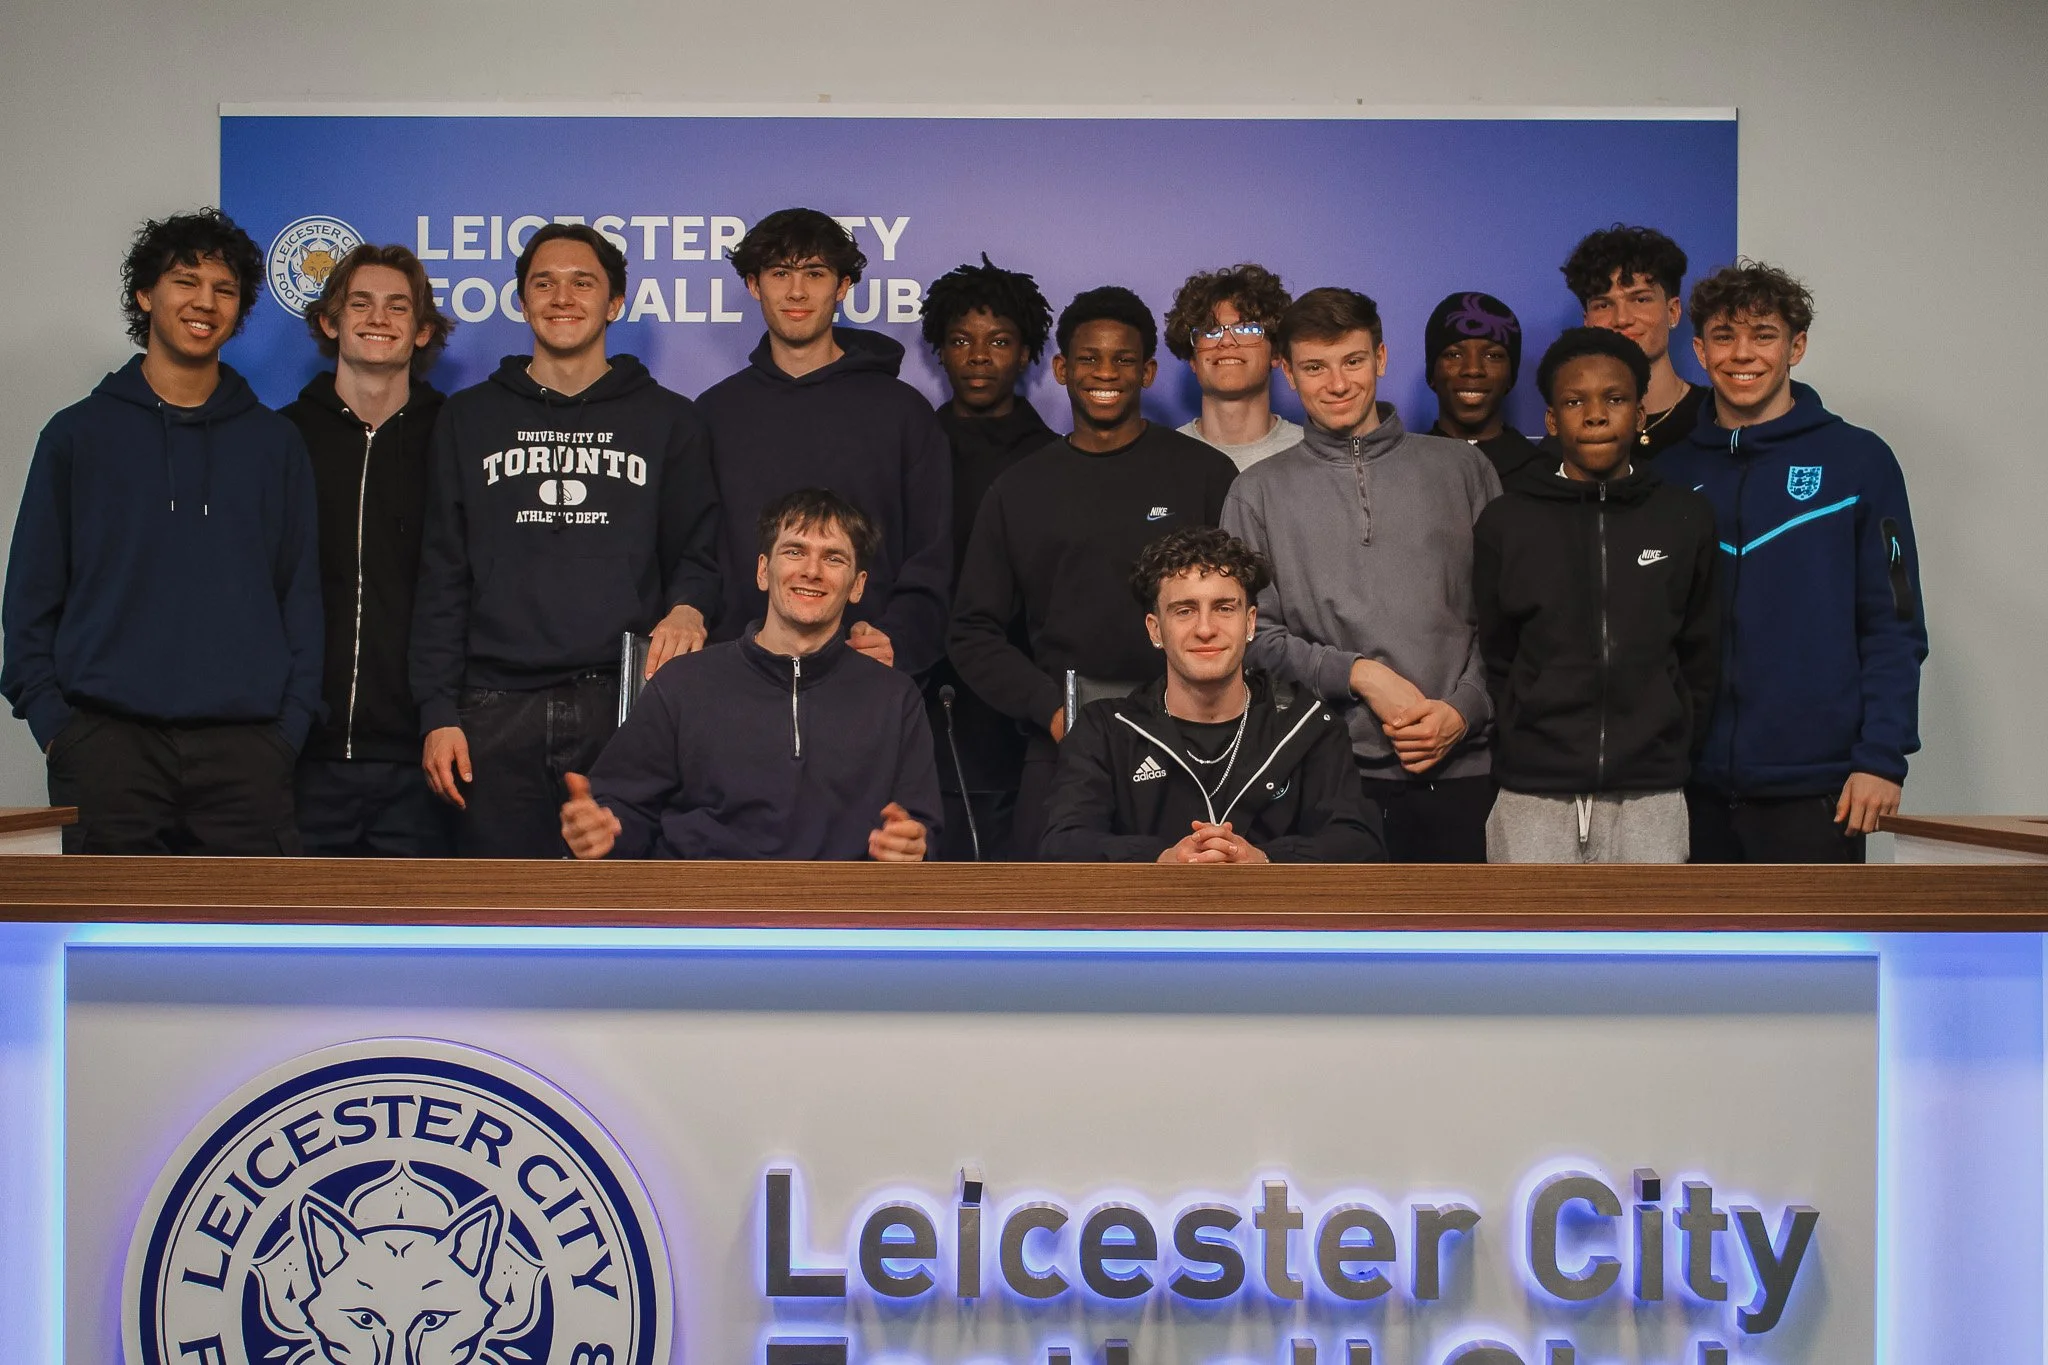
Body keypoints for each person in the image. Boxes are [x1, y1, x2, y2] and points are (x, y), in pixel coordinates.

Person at [0, 208, 320, 854]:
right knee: (104, 952)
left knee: (244, 955)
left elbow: (302, 597)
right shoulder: (76, 436)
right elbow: (29, 599)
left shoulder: (274, 443)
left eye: (224, 289)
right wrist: (58, 727)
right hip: (107, 752)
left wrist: (287, 731)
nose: (205, 302)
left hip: (247, 757)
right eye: (185, 281)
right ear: (146, 294)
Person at [410, 223, 722, 858]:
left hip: (622, 702)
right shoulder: (467, 418)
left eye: (583, 283)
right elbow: (442, 573)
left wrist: (689, 605)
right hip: (491, 711)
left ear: (614, 304)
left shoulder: (670, 419)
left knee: (623, 918)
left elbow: (701, 550)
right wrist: (437, 711)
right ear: (522, 302)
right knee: (498, 921)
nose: (562, 297)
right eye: (543, 283)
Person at [949, 286, 1239, 856]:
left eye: (1124, 359)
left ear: (1148, 372)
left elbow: (1246, 610)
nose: (1105, 372)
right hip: (1065, 742)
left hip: (1198, 737)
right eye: (1088, 358)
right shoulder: (1018, 488)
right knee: (1050, 919)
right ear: (1061, 369)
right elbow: (971, 630)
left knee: (1196, 916)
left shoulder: (1204, 473)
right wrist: (1050, 710)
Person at [1221, 287, 1500, 863]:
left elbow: (1507, 620)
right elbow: (1247, 638)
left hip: (1463, 767)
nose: (1338, 384)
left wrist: (1465, 709)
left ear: (1381, 357)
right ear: (1287, 374)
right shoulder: (1257, 491)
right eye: (1315, 368)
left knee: (1462, 949)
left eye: (1353, 361)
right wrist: (1362, 675)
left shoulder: (1464, 469)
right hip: (1323, 773)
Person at [1661, 261, 1927, 863]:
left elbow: (1895, 620)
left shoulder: (1859, 460)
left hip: (1819, 790)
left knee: (1813, 960)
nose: (1742, 354)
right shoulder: (1670, 475)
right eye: (1724, 337)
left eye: (1763, 335)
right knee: (1692, 960)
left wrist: (1883, 758)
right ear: (1700, 350)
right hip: (1686, 790)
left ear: (1796, 347)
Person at [560, 488, 940, 861]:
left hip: (841, 914)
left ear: (857, 585)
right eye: (794, 551)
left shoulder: (895, 698)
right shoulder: (682, 683)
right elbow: (623, 811)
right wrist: (602, 833)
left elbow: (922, 829)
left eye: (834, 558)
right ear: (763, 570)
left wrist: (911, 847)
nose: (811, 571)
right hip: (700, 910)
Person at [1473, 328, 1720, 863]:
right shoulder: (1507, 522)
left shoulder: (1684, 519)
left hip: (1651, 794)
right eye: (1573, 401)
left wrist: (1668, 742)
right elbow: (1495, 651)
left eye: (1615, 398)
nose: (1595, 414)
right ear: (1551, 419)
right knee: (1529, 946)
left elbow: (1702, 651)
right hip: (1532, 792)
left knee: (1648, 947)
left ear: (1641, 414)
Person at [698, 208, 951, 674]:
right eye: (780, 273)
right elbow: (694, 553)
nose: (797, 291)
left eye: (814, 273)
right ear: (755, 286)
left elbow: (932, 553)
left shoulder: (903, 413)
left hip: (867, 672)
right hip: (738, 676)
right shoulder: (714, 414)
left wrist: (900, 637)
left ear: (842, 286)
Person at [1040, 527, 1383, 863]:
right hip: (1152, 918)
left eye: (1224, 608)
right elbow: (1062, 843)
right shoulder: (1104, 730)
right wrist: (1159, 861)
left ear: (1250, 623)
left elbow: (1360, 843)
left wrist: (1266, 861)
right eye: (1185, 610)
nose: (1205, 629)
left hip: (1269, 917)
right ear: (1155, 629)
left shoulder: (1310, 726)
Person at [283, 243, 453, 855]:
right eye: (360, 303)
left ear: (423, 330)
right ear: (330, 322)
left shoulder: (457, 438)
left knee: (421, 948)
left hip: (425, 755)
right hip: (299, 755)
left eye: (397, 306)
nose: (378, 317)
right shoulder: (280, 438)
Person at [919, 254, 1056, 859]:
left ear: (1026, 353)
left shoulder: (1057, 460)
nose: (979, 356)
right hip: (928, 685)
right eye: (960, 341)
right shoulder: (913, 448)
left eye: (999, 341)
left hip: (1030, 692)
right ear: (939, 351)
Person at [1560, 224, 1708, 458]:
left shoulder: (1715, 416)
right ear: (1587, 322)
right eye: (1603, 305)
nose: (1622, 319)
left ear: (1673, 311)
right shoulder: (1569, 430)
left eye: (1640, 300)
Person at [1163, 264, 1303, 471]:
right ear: (1193, 359)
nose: (1227, 341)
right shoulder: (1162, 458)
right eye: (1210, 331)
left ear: (1275, 353)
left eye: (1247, 329)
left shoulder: (1312, 455)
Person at [1423, 291, 1540, 480]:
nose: (1473, 369)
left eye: (1492, 356)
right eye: (1454, 355)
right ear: (1432, 374)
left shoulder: (1544, 474)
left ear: (1511, 375)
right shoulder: (1402, 471)